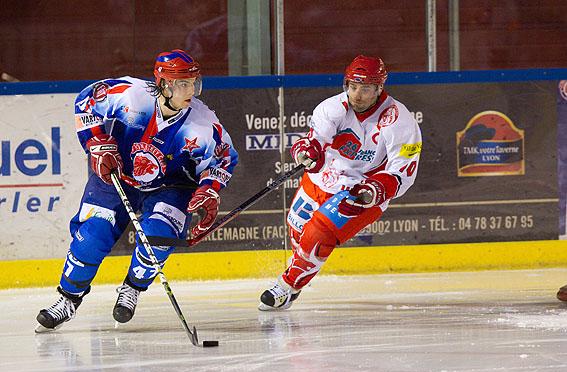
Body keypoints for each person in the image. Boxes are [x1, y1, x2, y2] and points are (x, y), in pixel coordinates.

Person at [35, 49, 238, 332]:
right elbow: (86, 101)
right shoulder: (130, 96)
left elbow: (224, 159)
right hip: (117, 176)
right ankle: (67, 299)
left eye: (193, 82)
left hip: (171, 185)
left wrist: (209, 189)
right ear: (164, 84)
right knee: (91, 236)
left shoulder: (204, 125)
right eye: (182, 83)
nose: (190, 89)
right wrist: (96, 143)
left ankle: (132, 288)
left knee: (159, 235)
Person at [258, 55, 422, 310]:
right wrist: (307, 151)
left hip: (360, 190)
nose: (357, 94)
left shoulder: (399, 119)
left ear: (379, 88)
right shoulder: (332, 107)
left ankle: (285, 286)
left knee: (319, 233)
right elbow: (316, 139)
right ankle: (296, 281)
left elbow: (404, 170)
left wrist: (376, 189)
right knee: (298, 230)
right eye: (353, 86)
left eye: (365, 88)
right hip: (321, 180)